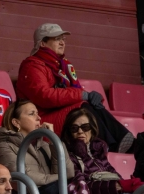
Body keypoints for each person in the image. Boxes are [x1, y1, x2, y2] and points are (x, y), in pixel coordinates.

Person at [17, 23, 133, 152]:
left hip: (61, 111)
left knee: (92, 104)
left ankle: (124, 140)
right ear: (42, 43)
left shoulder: (64, 65)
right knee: (83, 107)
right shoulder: (32, 66)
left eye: (63, 39)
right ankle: (111, 146)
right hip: (42, 118)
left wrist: (91, 96)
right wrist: (83, 95)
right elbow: (44, 96)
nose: (62, 43)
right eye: (57, 39)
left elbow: (74, 92)